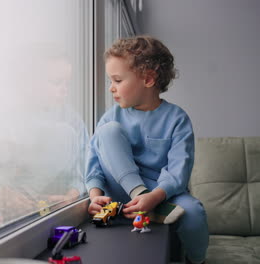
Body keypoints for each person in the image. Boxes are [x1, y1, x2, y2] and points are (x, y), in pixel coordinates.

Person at [85, 36, 208, 264]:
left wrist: (155, 197)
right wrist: (95, 195)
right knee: (108, 131)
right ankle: (139, 198)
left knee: (194, 212)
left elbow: (179, 170)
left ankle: (196, 261)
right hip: (119, 193)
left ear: (148, 79)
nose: (111, 88)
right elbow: (93, 165)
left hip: (160, 195)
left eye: (118, 80)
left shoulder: (177, 118)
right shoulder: (110, 118)